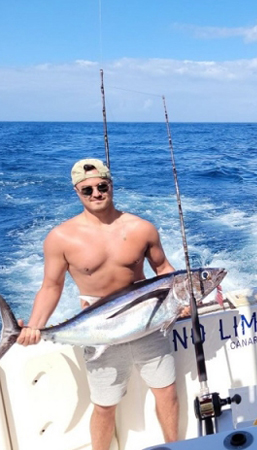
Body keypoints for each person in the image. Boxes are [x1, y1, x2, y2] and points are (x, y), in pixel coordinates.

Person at [17, 158, 180, 450]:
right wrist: (34, 326)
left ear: (111, 185)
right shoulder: (60, 238)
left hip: (147, 321)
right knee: (105, 405)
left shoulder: (142, 228)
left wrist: (184, 296)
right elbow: (51, 287)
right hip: (97, 329)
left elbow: (164, 270)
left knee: (167, 393)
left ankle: (175, 446)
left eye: (101, 186)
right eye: (87, 189)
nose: (96, 194)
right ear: (77, 192)